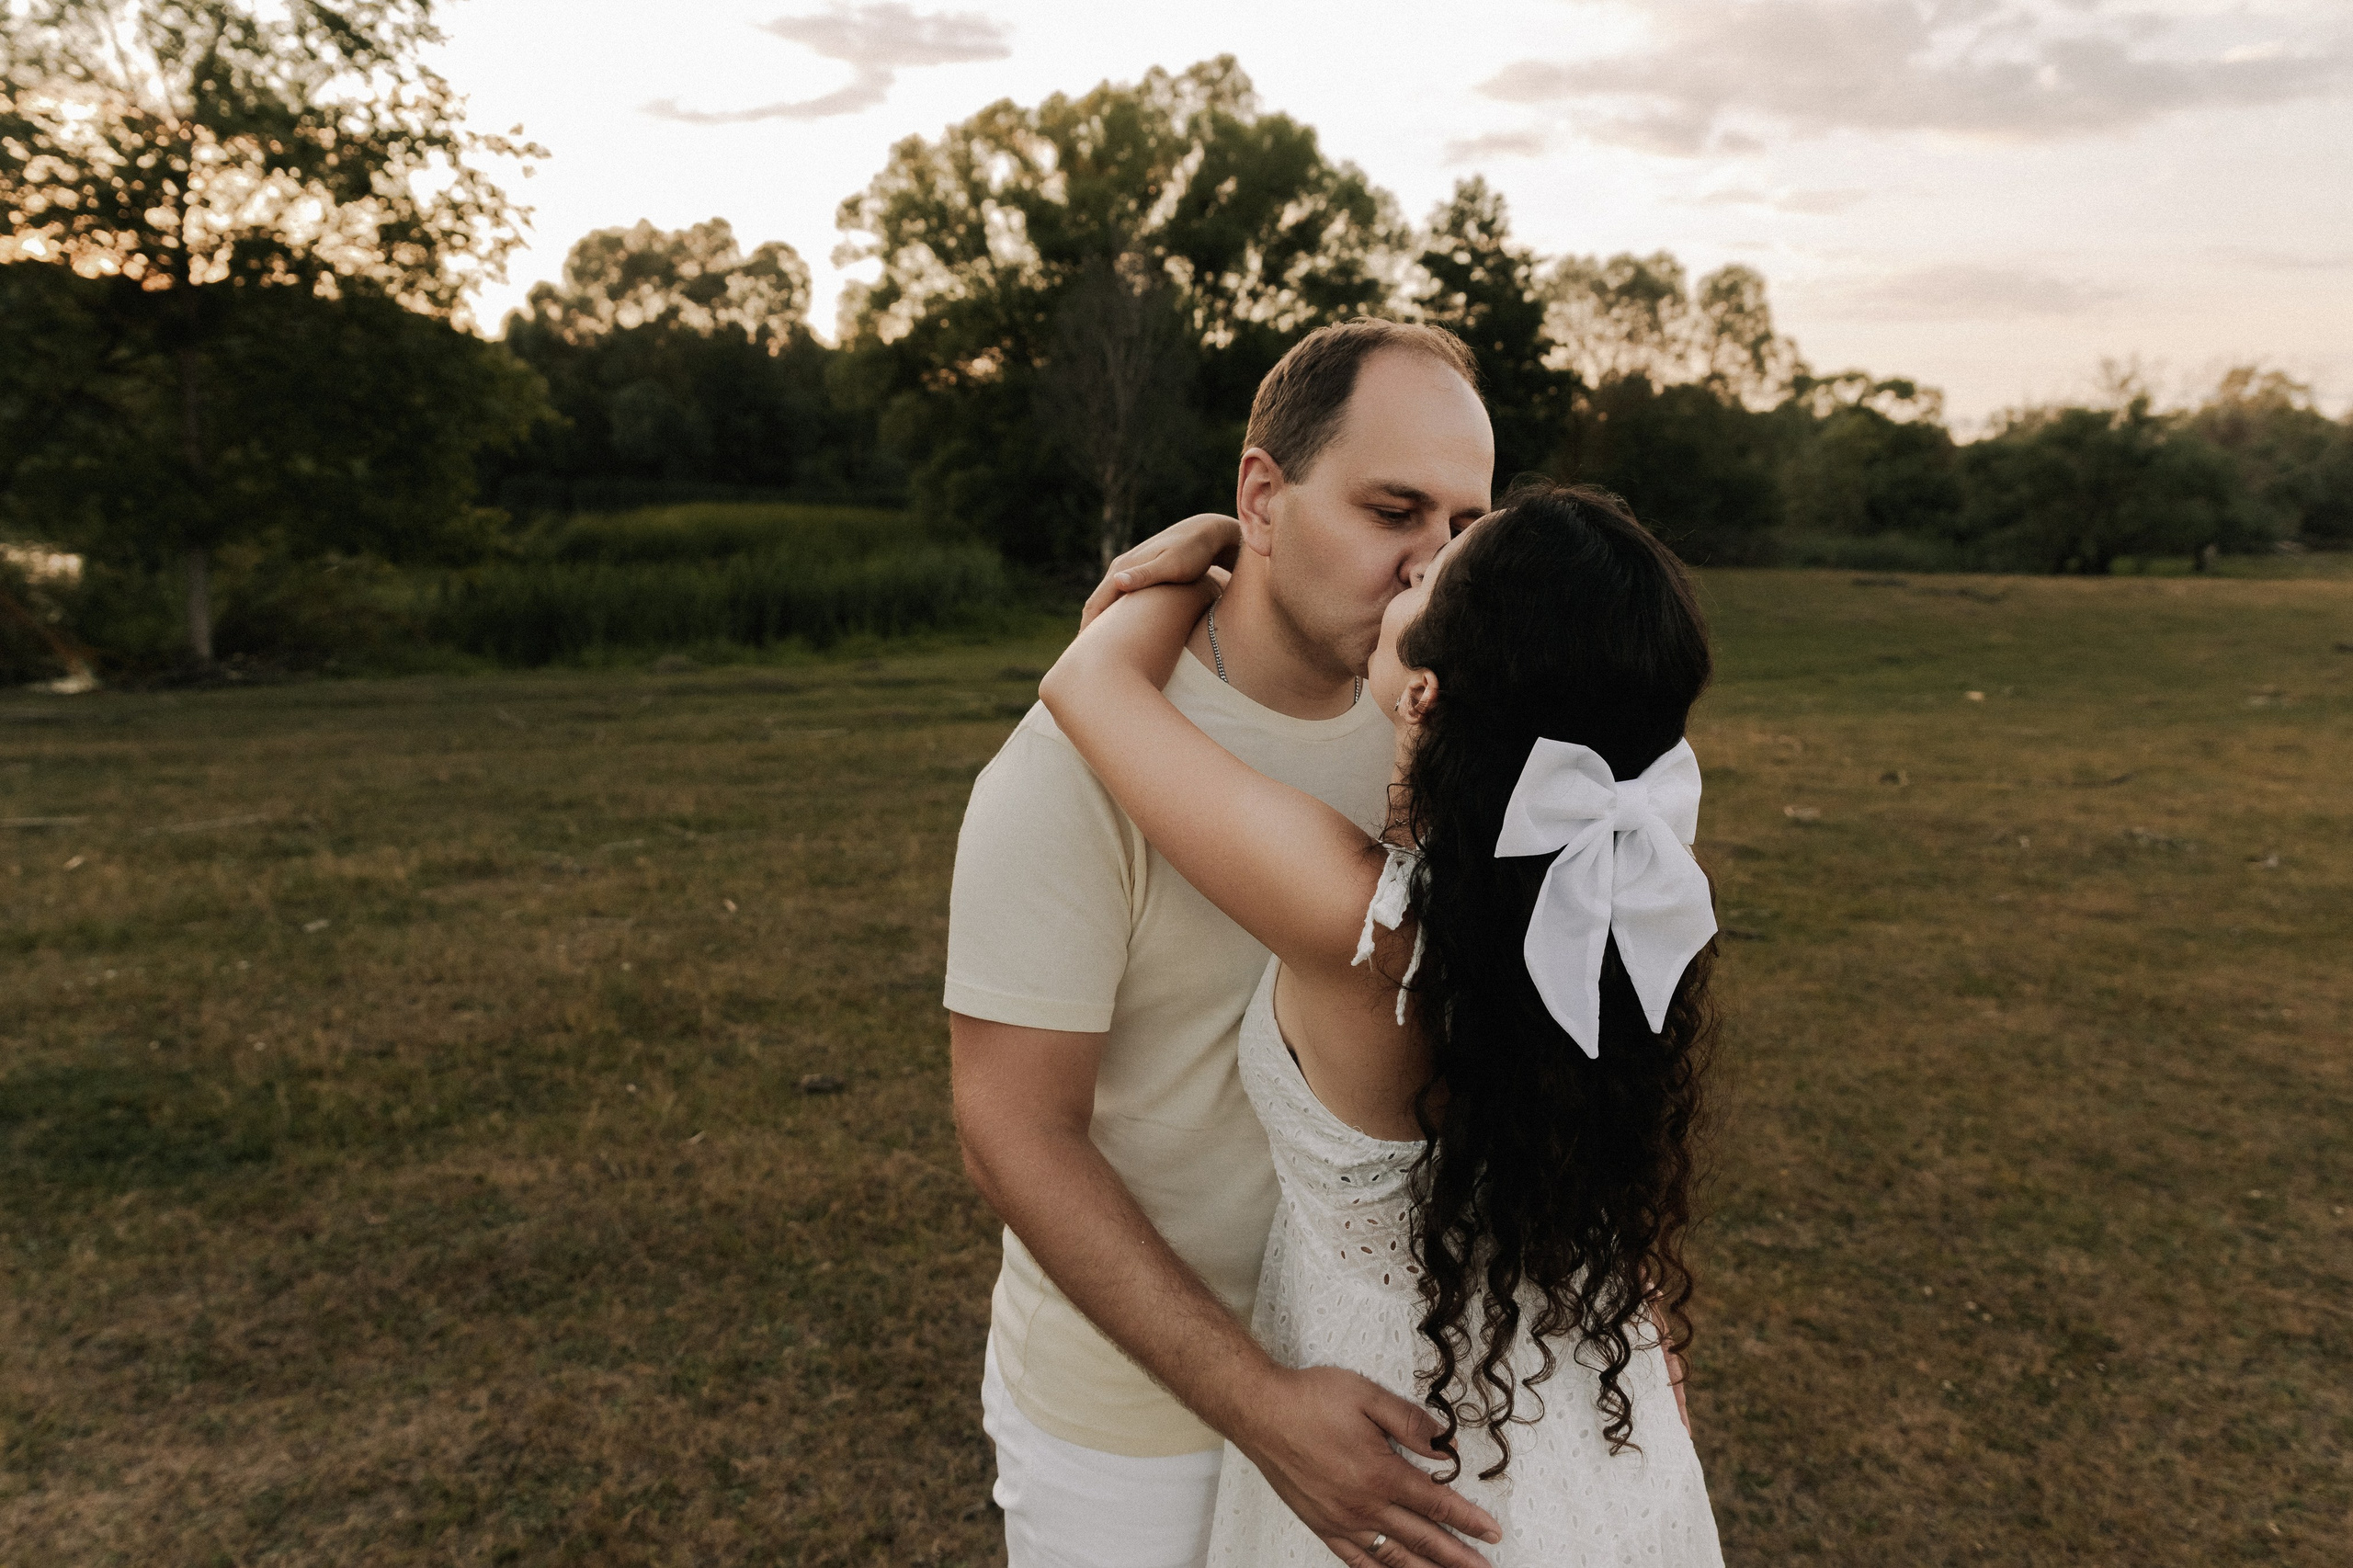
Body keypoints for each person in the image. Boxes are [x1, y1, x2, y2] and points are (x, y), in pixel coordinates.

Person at [1037, 483, 1726, 1566]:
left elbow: (1086, 680)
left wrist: (1219, 547)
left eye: (1431, 577)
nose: (1412, 564)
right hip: (1609, 1442)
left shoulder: (1361, 924)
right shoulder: (1619, 902)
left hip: (1407, 1463)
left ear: (1423, 692)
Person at [947, 319, 1506, 1568]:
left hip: (1388, 1385)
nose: (1430, 563)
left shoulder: (1447, 738)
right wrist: (1258, 1403)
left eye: (1465, 527)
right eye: (1392, 509)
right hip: (1134, 1428)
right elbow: (1011, 1127)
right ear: (1262, 495)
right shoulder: (1072, 766)